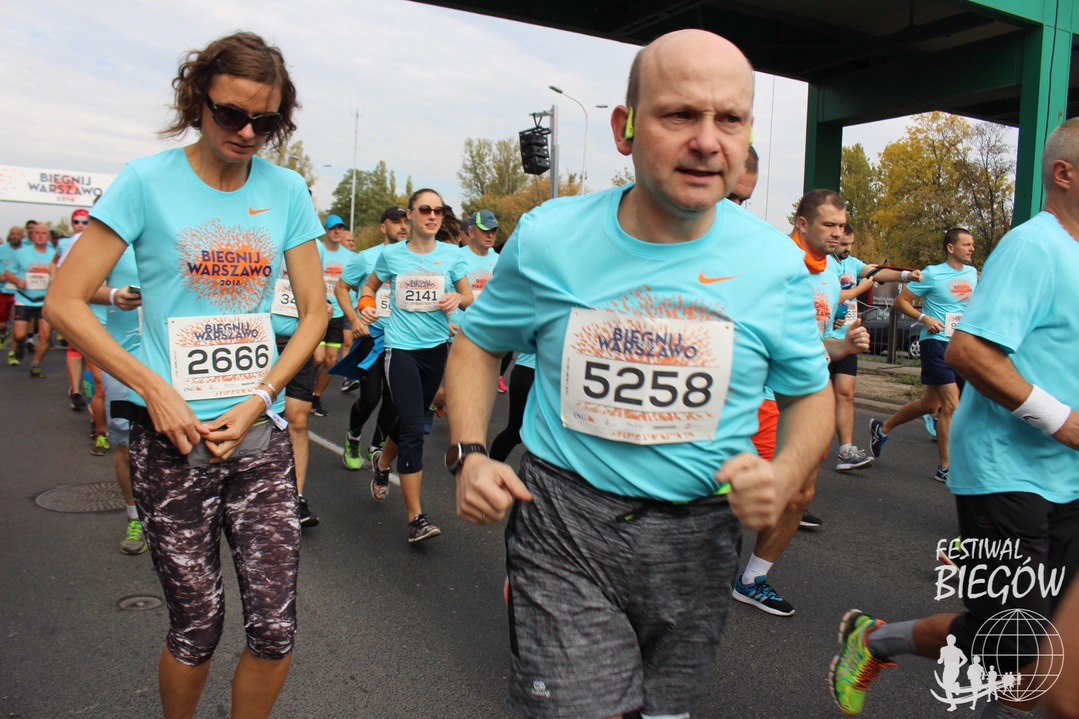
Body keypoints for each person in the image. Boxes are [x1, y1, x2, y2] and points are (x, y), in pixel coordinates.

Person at [445, 29, 834, 719]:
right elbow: (478, 344)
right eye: (679, 114)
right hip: (564, 522)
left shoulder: (775, 264)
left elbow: (810, 395)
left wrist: (782, 477)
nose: (707, 141)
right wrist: (470, 452)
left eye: (729, 119)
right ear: (624, 128)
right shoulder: (549, 236)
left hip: (700, 536)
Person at [44, 31, 327, 717]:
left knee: (275, 629)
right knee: (197, 629)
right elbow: (64, 300)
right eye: (231, 113)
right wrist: (155, 389)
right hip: (171, 443)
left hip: (256, 440)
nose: (247, 132)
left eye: (265, 121)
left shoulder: (286, 189)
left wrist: (261, 396)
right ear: (197, 99)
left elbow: (315, 312)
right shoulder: (145, 181)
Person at [829, 119, 1078, 719]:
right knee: (1017, 643)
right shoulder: (1034, 247)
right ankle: (874, 641)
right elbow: (971, 352)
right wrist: (1063, 421)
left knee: (1048, 662)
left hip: (1069, 478)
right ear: (1065, 173)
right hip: (1008, 469)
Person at [734, 189, 869, 618]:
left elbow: (811, 345)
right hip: (762, 395)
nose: (837, 233)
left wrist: (844, 346)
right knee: (741, 488)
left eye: (841, 226)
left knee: (801, 493)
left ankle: (752, 579)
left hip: (806, 396)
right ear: (803, 223)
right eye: (828, 225)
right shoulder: (773, 262)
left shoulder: (832, 273)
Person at [358, 189, 471, 542]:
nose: (433, 215)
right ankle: (416, 519)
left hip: (435, 350)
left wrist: (458, 297)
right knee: (413, 431)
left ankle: (382, 464)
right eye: (425, 209)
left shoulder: (452, 254)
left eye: (438, 210)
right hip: (400, 350)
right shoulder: (392, 255)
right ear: (410, 215)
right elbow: (369, 287)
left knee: (410, 420)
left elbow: (468, 296)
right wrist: (364, 304)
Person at [868, 228, 978, 482]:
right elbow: (901, 301)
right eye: (967, 244)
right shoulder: (932, 274)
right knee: (951, 404)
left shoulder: (972, 274)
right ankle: (945, 468)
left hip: (960, 345)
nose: (972, 248)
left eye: (972, 244)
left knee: (930, 404)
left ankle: (882, 428)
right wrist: (924, 318)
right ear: (951, 247)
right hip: (936, 343)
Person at [827, 224, 922, 471]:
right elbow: (828, 297)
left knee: (846, 393)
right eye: (843, 244)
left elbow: (877, 272)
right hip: (822, 340)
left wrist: (906, 276)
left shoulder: (852, 264)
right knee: (815, 398)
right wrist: (859, 290)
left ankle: (845, 451)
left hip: (847, 339)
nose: (848, 249)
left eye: (850, 244)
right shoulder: (821, 263)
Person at [340, 206, 407, 472]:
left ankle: (376, 446)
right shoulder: (365, 258)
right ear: (383, 227)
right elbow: (341, 288)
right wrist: (354, 320)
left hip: (402, 339)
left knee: (394, 401)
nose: (403, 226)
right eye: (396, 222)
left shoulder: (414, 258)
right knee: (370, 399)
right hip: (372, 336)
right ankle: (353, 436)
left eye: (406, 221)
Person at [309, 214, 350, 417]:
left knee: (331, 360)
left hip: (337, 314)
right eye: (333, 228)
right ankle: (302, 391)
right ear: (326, 230)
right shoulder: (318, 250)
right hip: (317, 312)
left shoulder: (349, 256)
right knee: (317, 358)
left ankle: (315, 398)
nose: (337, 231)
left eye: (340, 228)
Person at [4, 223, 57, 376]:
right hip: (25, 298)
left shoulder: (54, 254)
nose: (40, 236)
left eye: (44, 233)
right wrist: (17, 281)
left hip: (45, 299)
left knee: (45, 335)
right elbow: (8, 272)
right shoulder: (21, 253)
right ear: (32, 236)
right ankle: (20, 345)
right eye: (37, 233)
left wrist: (55, 278)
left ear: (48, 237)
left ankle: (35, 364)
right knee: (19, 335)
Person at [0, 226, 26, 347]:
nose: (15, 236)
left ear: (23, 236)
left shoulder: (26, 251)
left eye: (18, 234)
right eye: (13, 234)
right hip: (3, 289)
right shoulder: (2, 249)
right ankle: (4, 332)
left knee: (17, 323)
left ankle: (13, 352)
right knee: (2, 324)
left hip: (21, 291)